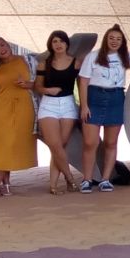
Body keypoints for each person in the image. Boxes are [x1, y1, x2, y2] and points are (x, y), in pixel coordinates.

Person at [77, 24, 130, 193]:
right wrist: (84, 105)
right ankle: (87, 179)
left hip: (116, 98)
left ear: (123, 42)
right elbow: (83, 81)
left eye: (118, 39)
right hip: (95, 97)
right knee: (90, 142)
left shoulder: (126, 57)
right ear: (106, 39)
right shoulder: (93, 56)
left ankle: (106, 179)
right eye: (111, 38)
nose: (114, 41)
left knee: (111, 142)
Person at [0, 36, 36, 197]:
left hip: (24, 108)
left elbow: (41, 83)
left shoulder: (27, 60)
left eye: (2, 45)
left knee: (13, 144)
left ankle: (4, 183)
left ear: (8, 44)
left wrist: (28, 84)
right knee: (3, 146)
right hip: (1, 110)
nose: (1, 49)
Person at [34, 30, 82, 195]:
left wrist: (84, 104)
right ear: (50, 44)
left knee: (60, 146)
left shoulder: (76, 63)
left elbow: (82, 85)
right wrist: (48, 89)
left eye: (61, 41)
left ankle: (53, 185)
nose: (58, 44)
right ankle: (69, 179)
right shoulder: (43, 64)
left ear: (67, 43)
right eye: (55, 41)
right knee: (54, 145)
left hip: (68, 104)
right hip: (48, 105)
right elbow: (37, 86)